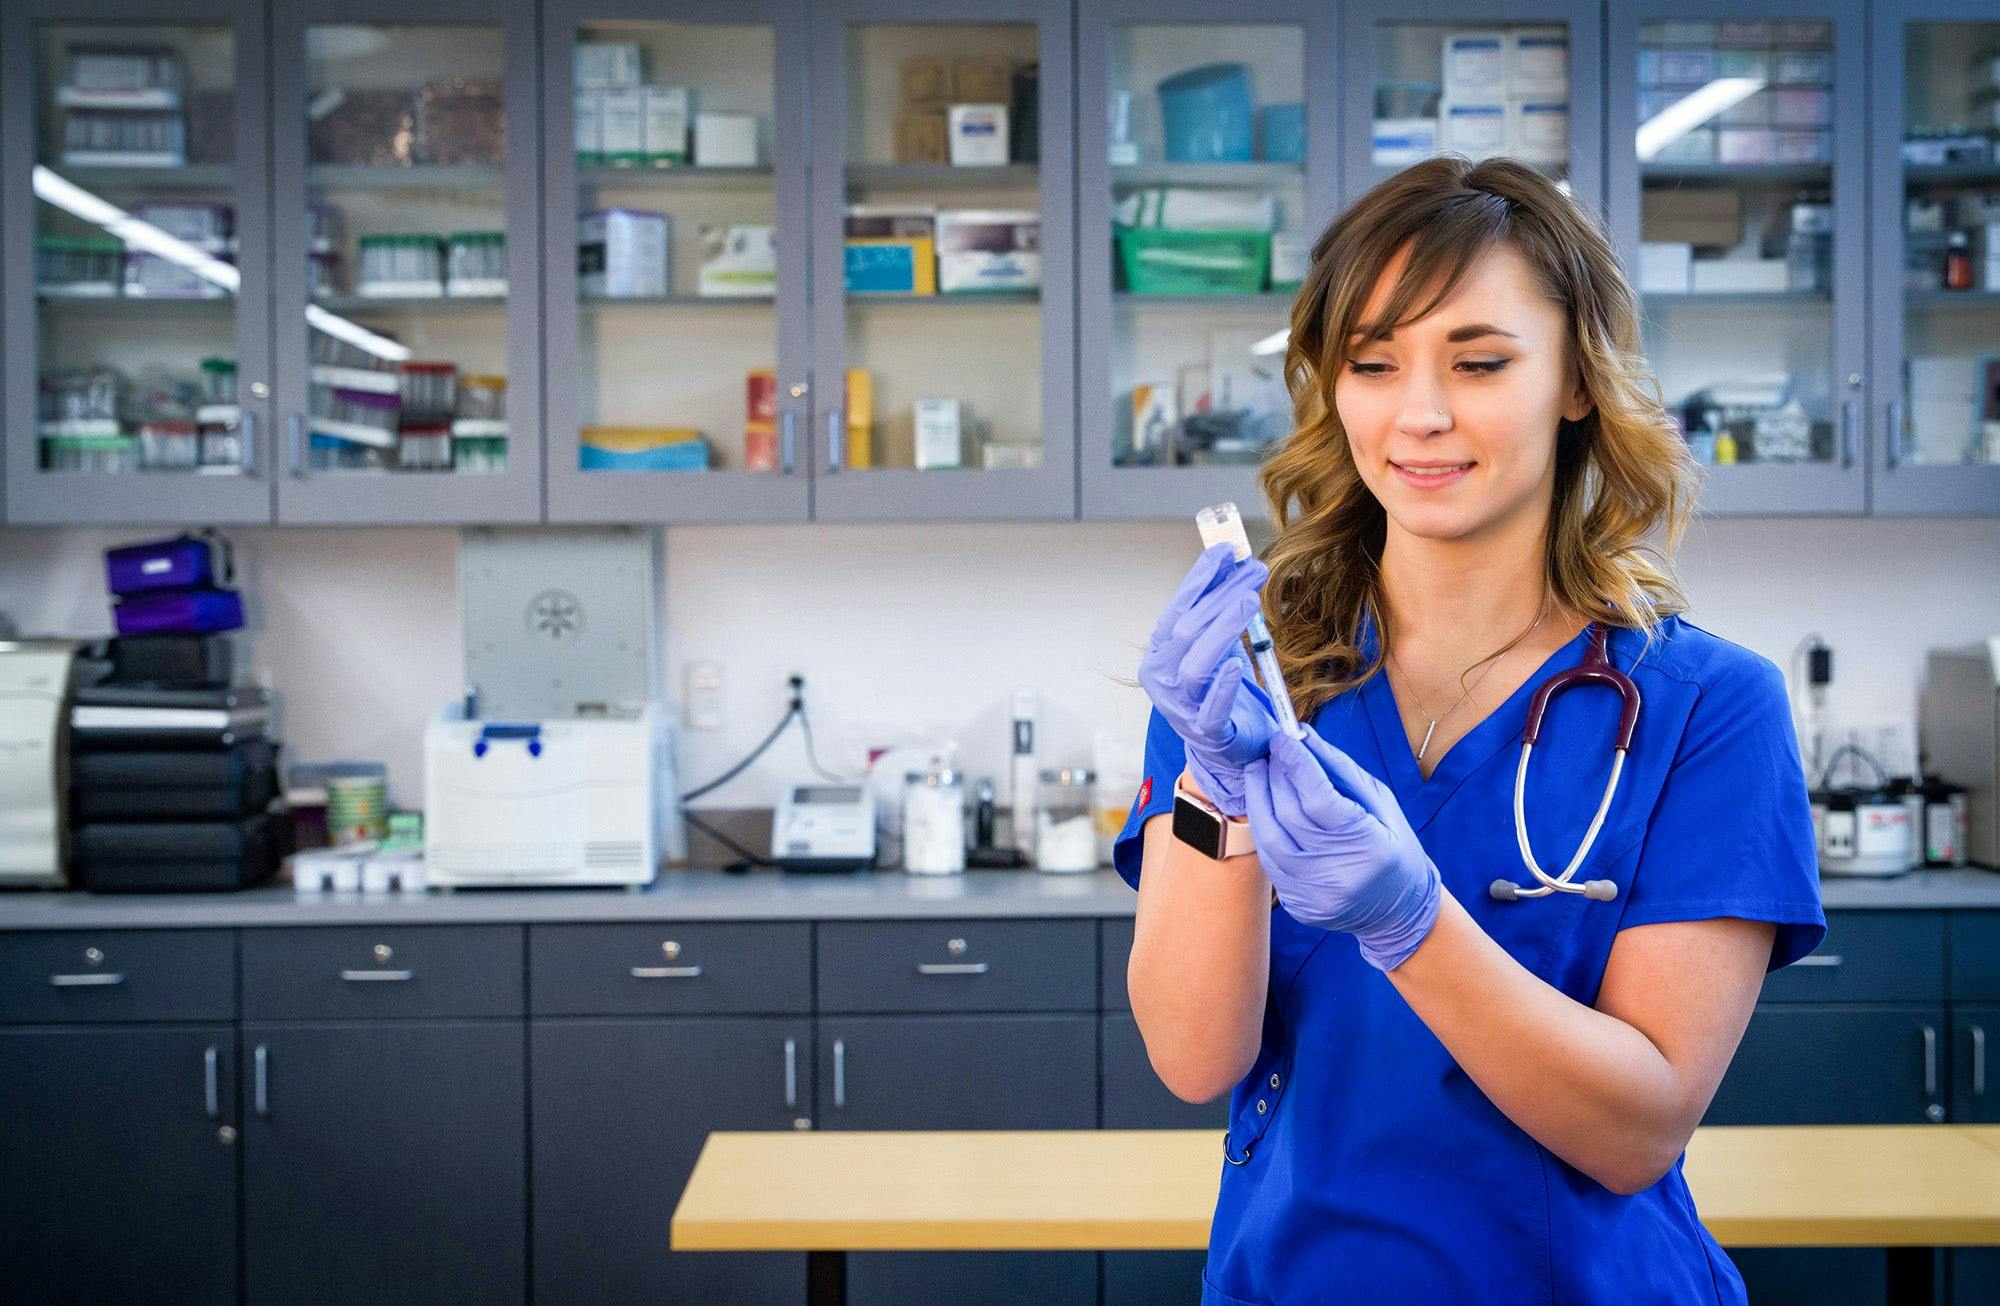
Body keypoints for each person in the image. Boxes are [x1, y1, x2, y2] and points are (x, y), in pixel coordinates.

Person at [1112, 155, 1825, 1305]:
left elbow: (1635, 1129)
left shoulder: (1703, 707)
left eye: (1480, 361)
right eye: (1372, 364)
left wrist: (1410, 922)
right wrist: (1212, 787)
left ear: (1574, 381)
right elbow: (1194, 1057)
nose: (1420, 413)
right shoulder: (1248, 689)